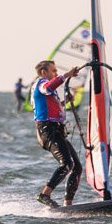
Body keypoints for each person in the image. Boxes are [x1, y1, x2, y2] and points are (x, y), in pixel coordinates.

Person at [30, 59, 87, 206]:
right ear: (44, 72)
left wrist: (65, 101)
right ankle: (44, 194)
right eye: (54, 71)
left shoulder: (46, 89)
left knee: (77, 167)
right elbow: (48, 87)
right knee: (67, 164)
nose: (56, 73)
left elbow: (51, 107)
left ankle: (68, 204)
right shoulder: (41, 83)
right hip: (48, 130)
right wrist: (67, 75)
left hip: (56, 131)